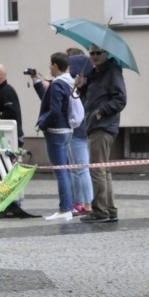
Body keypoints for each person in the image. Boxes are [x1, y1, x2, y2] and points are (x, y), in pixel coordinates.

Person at [74, 44, 127, 223]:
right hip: (96, 124)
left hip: (102, 125)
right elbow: (90, 99)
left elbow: (120, 99)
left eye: (98, 53)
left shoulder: (112, 71)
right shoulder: (96, 73)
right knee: (103, 170)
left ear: (107, 54)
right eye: (92, 53)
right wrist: (81, 87)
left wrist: (101, 111)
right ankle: (109, 210)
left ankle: (100, 211)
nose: (94, 56)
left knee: (97, 170)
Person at [29, 52, 75, 221]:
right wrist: (37, 81)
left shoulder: (57, 84)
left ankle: (65, 209)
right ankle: (68, 206)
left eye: (50, 64)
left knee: (61, 171)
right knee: (65, 170)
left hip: (56, 131)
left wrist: (42, 124)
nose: (49, 67)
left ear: (55, 65)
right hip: (67, 130)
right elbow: (47, 99)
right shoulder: (69, 82)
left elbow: (54, 109)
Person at [67, 52, 94, 216]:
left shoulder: (87, 90)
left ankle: (88, 204)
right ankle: (79, 202)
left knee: (82, 169)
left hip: (80, 131)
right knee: (75, 169)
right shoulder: (79, 89)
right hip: (74, 131)